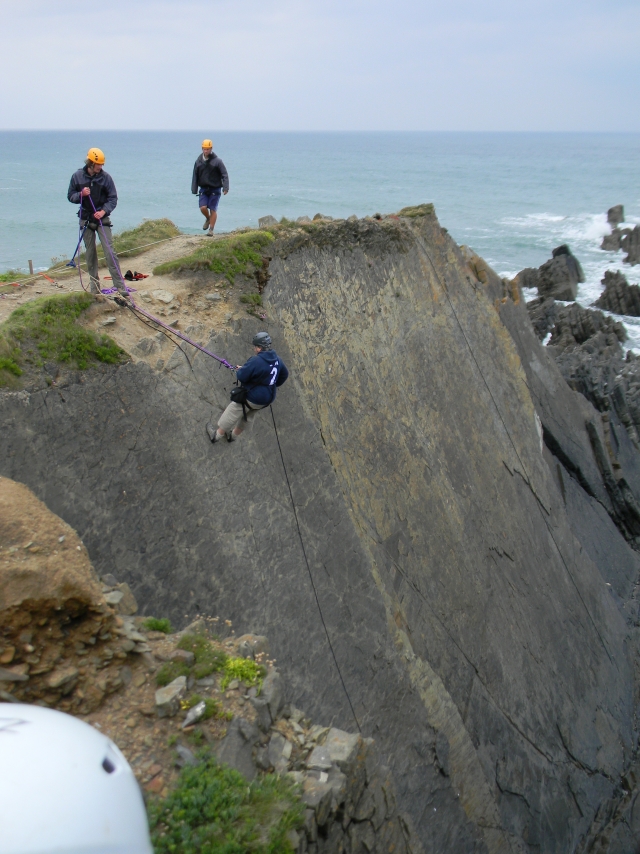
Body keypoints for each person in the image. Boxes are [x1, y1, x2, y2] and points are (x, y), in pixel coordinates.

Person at [207, 332, 288, 444]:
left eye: (255, 346)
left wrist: (242, 370)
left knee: (233, 411)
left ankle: (216, 436)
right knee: (248, 415)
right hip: (267, 398)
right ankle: (233, 436)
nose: (254, 349)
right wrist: (272, 384)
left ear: (259, 348)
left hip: (253, 397)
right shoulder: (277, 359)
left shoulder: (256, 360)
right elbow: (284, 375)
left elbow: (242, 376)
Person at [67, 147, 127, 295]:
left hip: (102, 218)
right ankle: (95, 288)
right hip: (86, 218)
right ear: (90, 163)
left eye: (101, 164)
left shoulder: (106, 178)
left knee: (110, 251)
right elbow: (70, 196)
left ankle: (120, 286)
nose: (100, 167)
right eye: (98, 164)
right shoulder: (77, 176)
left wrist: (103, 211)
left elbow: (113, 198)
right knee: (90, 254)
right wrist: (81, 194)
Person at [191, 139, 229, 237]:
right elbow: (195, 175)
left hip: (215, 188)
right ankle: (208, 218)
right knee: (202, 207)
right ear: (202, 149)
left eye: (207, 149)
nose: (206, 151)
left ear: (211, 149)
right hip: (203, 188)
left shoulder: (217, 161)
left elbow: (224, 174)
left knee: (213, 209)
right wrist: (194, 189)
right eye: (204, 149)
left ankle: (211, 230)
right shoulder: (198, 161)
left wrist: (225, 187)